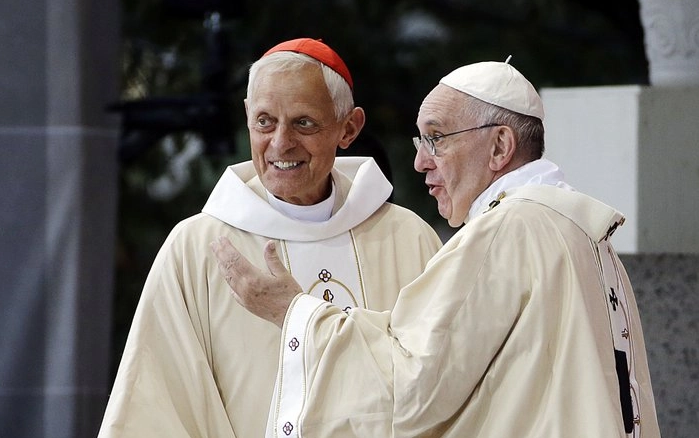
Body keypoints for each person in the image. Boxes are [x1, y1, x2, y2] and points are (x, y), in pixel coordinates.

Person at [214, 59, 661, 437]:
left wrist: (294, 312)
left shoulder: (508, 231)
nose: (420, 161)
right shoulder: (580, 233)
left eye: (437, 138)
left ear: (500, 145)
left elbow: (410, 388)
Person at [98, 38, 443, 437]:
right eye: (265, 121)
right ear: (247, 117)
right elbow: (156, 403)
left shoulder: (407, 238)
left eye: (304, 123)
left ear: (348, 128)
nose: (281, 143)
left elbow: (439, 382)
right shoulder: (196, 247)